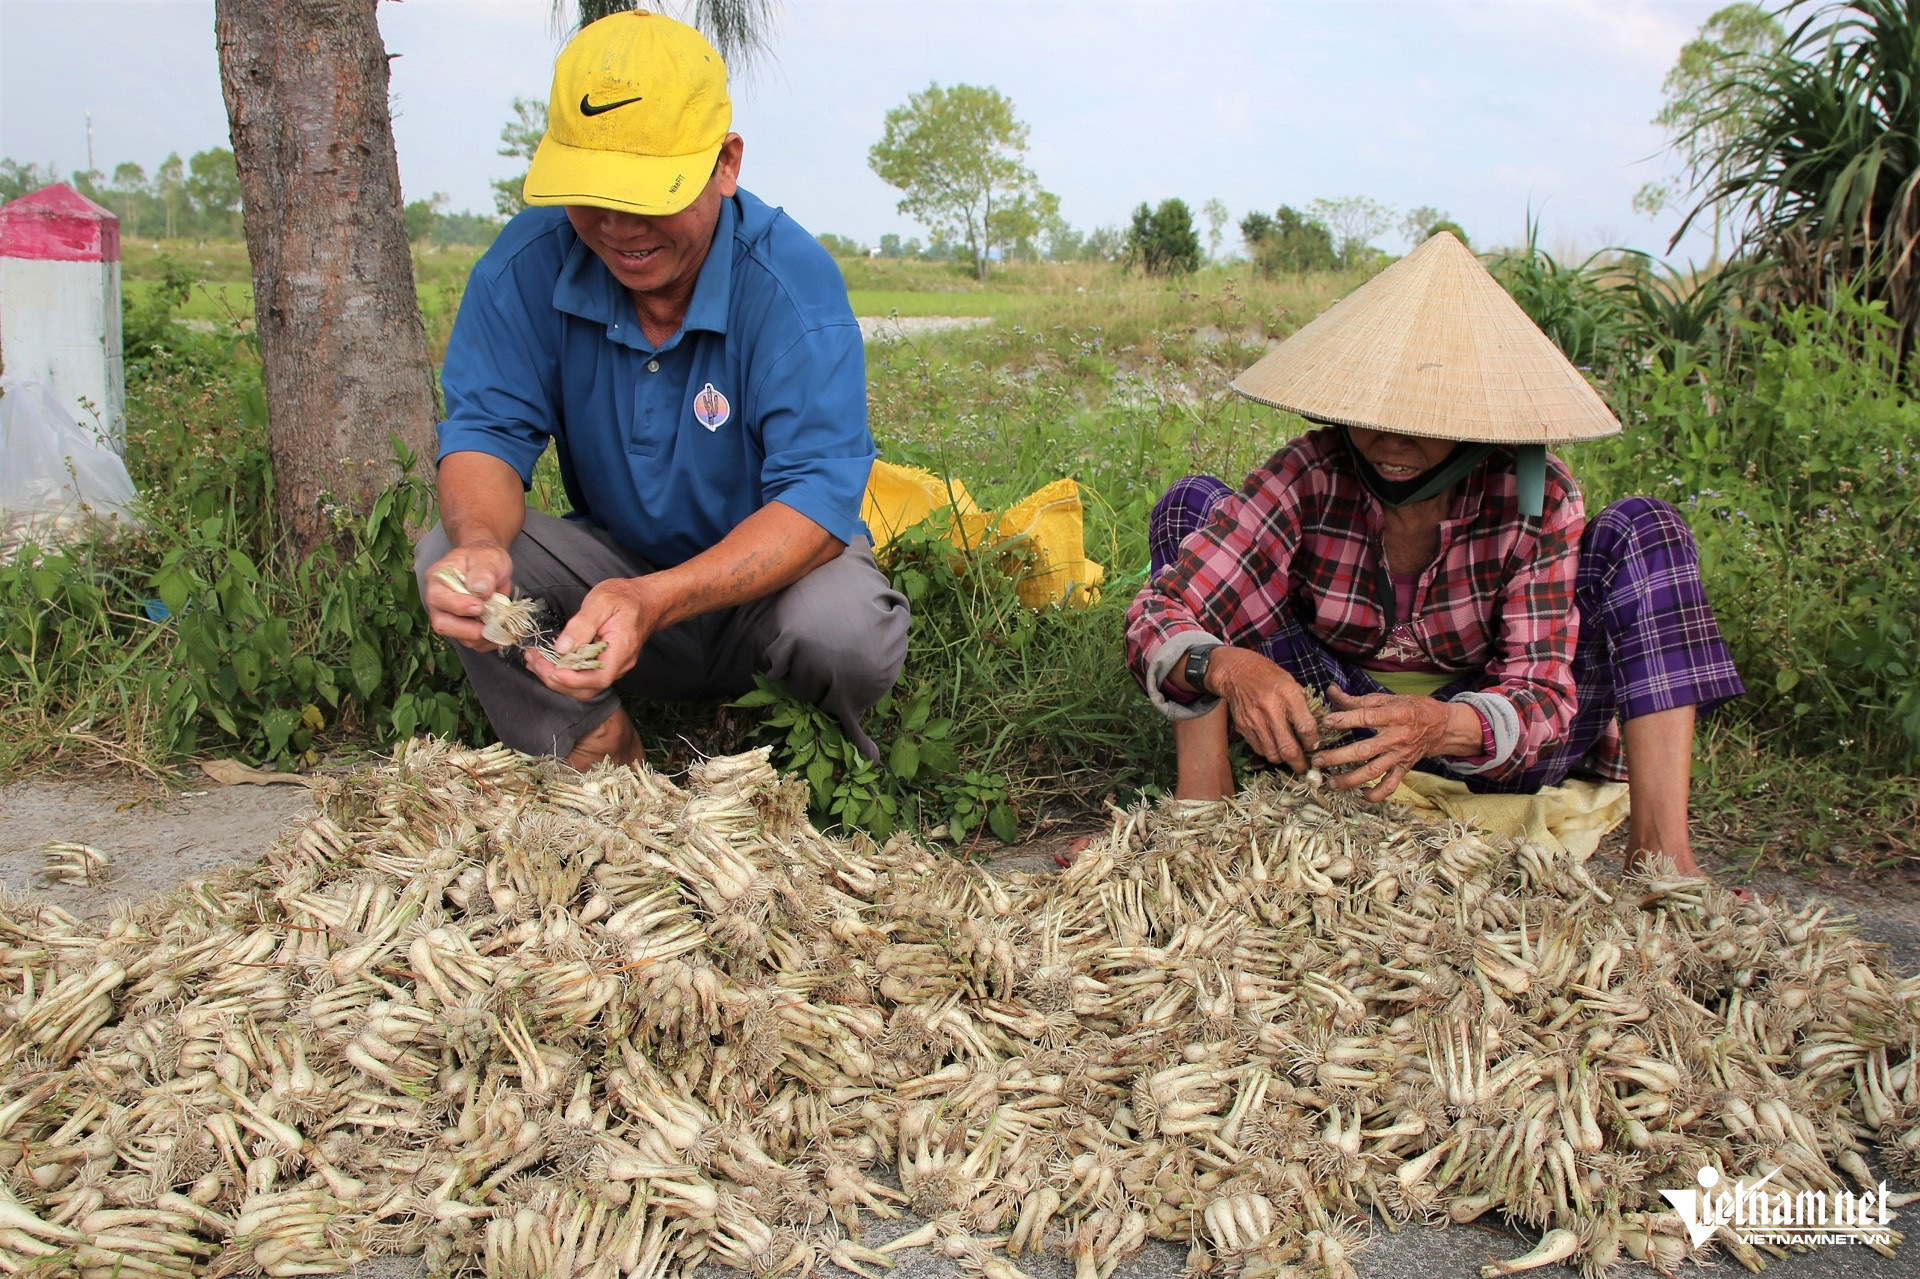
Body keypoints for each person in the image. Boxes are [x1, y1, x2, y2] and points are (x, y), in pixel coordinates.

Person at [1124, 233, 1743, 875]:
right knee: (1191, 503)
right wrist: (1227, 666)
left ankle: (1665, 860)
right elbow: (1157, 613)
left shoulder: (1536, 495)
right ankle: (1201, 811)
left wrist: (1441, 724)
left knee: (1647, 528)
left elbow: (1540, 692)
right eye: (1371, 414)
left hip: (1487, 740)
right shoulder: (1308, 474)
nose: (1391, 440)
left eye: (1422, 422)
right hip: (1331, 725)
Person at [415, 12, 908, 771]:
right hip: (614, 581)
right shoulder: (524, 268)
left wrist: (657, 599)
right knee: (446, 551)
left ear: (725, 162)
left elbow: (815, 503)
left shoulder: (791, 285)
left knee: (845, 630)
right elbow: (486, 435)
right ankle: (594, 739)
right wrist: (481, 543)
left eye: (648, 193)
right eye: (590, 193)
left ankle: (808, 757)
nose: (616, 226)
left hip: (766, 599)